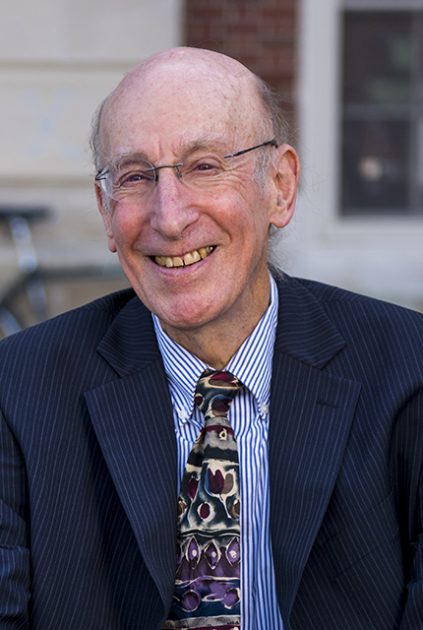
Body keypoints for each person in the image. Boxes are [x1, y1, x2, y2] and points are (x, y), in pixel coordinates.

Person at [0, 47, 422, 630]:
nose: (169, 217)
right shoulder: (18, 391)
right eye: (136, 177)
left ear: (279, 186)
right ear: (105, 210)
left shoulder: (408, 371)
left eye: (204, 166)